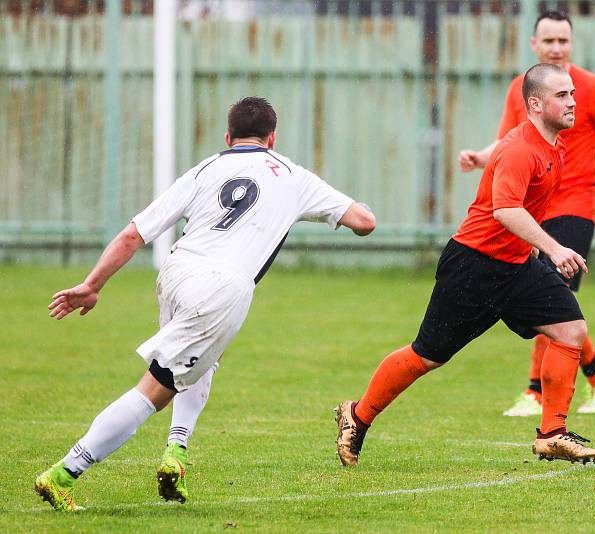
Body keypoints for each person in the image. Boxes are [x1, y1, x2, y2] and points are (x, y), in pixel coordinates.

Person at [34, 97, 376, 512]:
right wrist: (361, 210)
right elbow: (364, 222)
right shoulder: (292, 176)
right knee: (153, 391)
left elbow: (133, 234)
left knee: (202, 362)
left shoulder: (205, 168)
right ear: (273, 137)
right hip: (221, 289)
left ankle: (176, 453)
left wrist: (92, 285)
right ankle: (63, 473)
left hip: (177, 272)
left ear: (228, 137)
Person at [336, 63, 595, 469]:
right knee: (427, 356)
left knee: (571, 330)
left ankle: (552, 434)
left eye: (572, 93)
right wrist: (552, 248)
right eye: (561, 95)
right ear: (535, 103)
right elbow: (505, 209)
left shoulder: (555, 146)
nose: (573, 102)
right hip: (473, 266)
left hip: (516, 266)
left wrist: (533, 252)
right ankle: (357, 416)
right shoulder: (520, 148)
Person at [459, 11, 595, 417]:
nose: (556, 48)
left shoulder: (592, 89)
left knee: (550, 291)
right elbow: (505, 141)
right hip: (532, 208)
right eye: (548, 41)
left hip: (577, 204)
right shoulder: (524, 87)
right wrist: (481, 157)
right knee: (550, 295)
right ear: (534, 44)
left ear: (572, 44)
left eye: (563, 41)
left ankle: (536, 392)